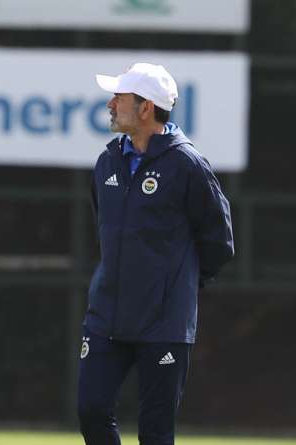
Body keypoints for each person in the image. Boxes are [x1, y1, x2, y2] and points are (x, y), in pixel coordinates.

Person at [77, 63, 234, 445]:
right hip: (106, 318)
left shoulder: (187, 165)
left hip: (164, 323)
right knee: (91, 411)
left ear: (146, 107)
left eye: (119, 97)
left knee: (156, 434)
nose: (110, 105)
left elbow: (219, 240)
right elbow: (108, 231)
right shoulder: (107, 162)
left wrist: (179, 286)